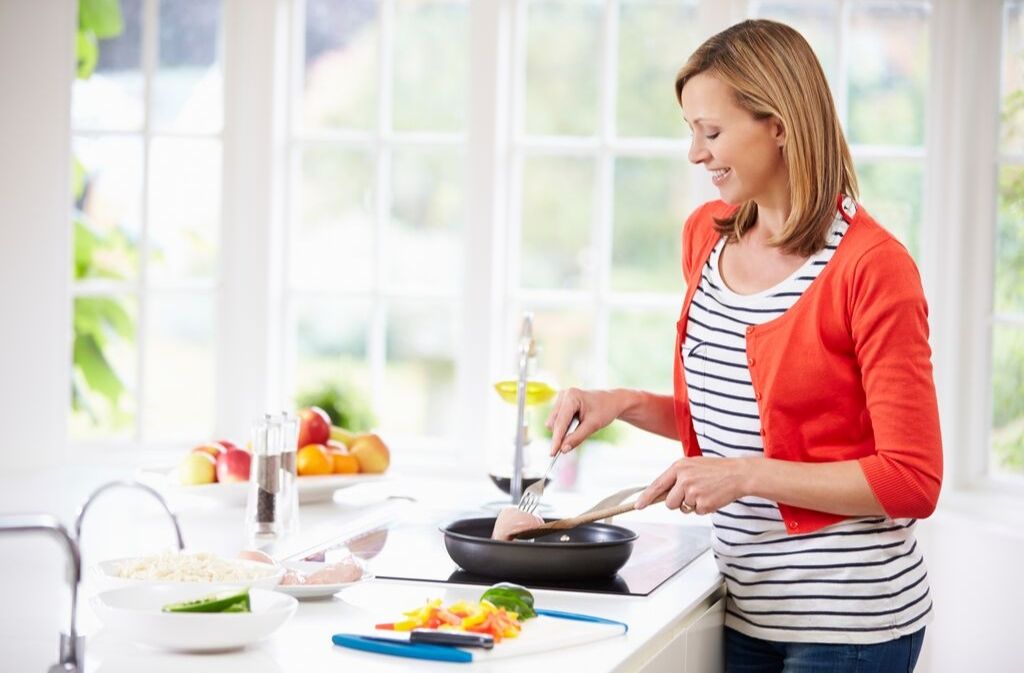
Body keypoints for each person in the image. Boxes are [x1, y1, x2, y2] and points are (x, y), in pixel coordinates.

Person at [545, 19, 941, 673]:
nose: (696, 155)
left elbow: (913, 477)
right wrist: (620, 403)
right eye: (690, 132)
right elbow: (746, 418)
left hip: (850, 626)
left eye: (712, 131)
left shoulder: (871, 267)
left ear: (779, 124)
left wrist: (744, 475)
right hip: (744, 604)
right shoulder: (706, 236)